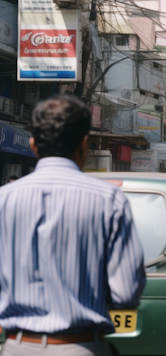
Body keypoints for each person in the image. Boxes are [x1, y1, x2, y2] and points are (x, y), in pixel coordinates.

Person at [0, 95, 146, 356]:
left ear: (33, 145)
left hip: (15, 348)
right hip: (83, 346)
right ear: (84, 145)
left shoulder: (3, 200)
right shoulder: (109, 200)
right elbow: (126, 293)